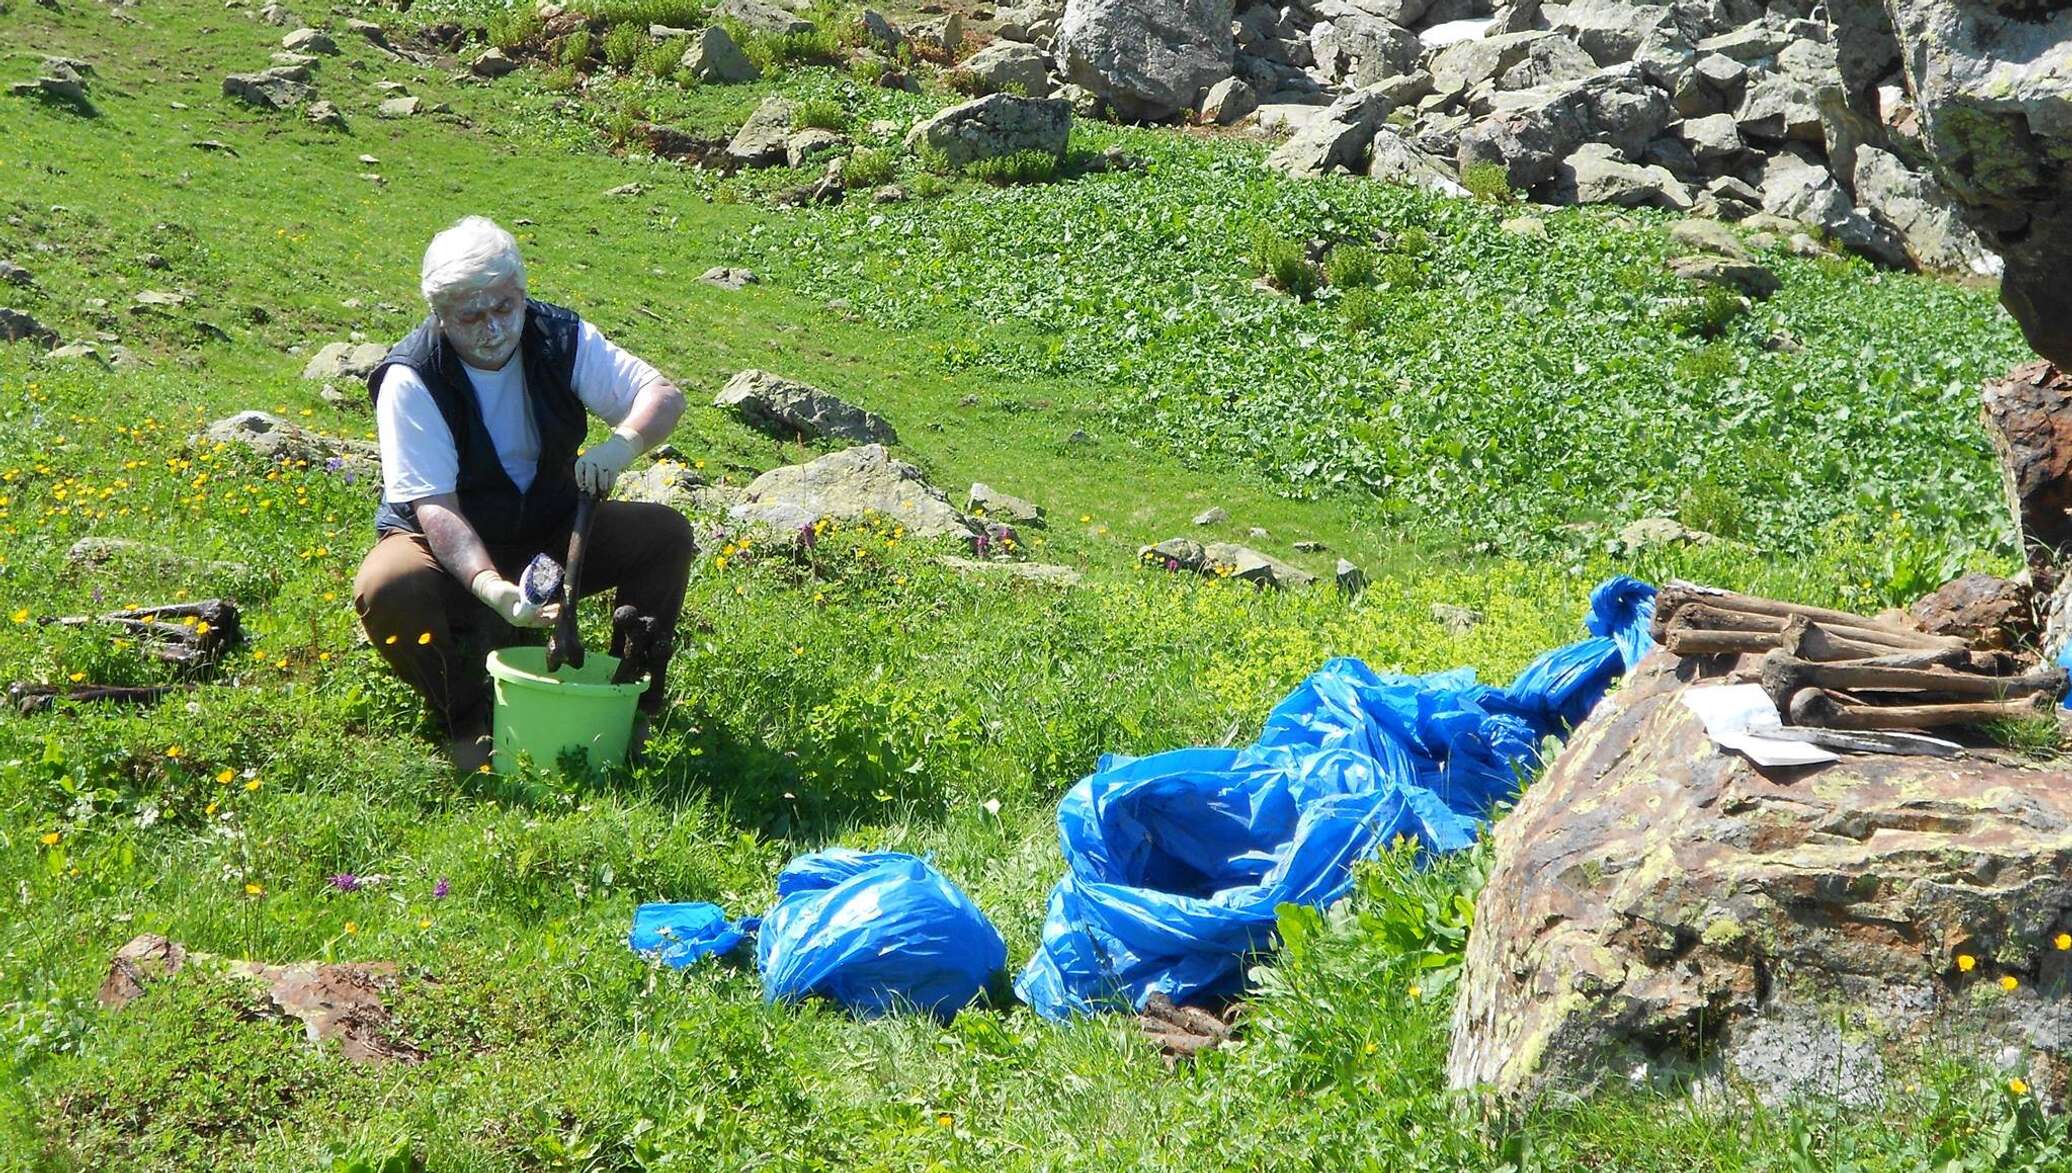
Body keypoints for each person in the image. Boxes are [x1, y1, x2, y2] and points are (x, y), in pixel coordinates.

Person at [352, 216, 693, 770]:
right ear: (440, 316)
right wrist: (491, 587)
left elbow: (662, 396)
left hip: (547, 525)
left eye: (504, 308)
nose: (493, 329)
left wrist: (622, 447)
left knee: (664, 534)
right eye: (471, 316)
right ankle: (464, 715)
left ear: (522, 293)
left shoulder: (559, 337)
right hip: (445, 543)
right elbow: (436, 507)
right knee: (388, 584)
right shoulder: (411, 378)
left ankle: (630, 698)